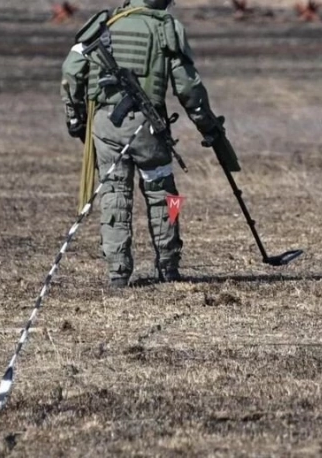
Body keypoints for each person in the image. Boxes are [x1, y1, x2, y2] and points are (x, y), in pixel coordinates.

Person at [60, 0, 219, 288]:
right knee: (166, 195)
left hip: (105, 125)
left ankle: (118, 271)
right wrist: (207, 125)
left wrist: (76, 118)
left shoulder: (104, 24)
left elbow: (71, 71)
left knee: (114, 193)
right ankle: (168, 265)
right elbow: (188, 87)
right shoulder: (165, 27)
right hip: (148, 126)